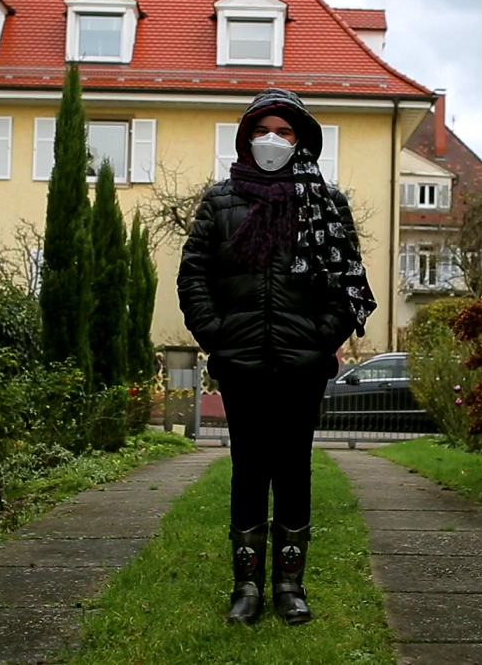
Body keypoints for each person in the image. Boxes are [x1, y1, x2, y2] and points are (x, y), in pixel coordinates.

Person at [177, 88, 375, 625]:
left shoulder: (326, 202)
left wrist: (320, 339)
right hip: (239, 361)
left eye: (284, 132)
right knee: (247, 470)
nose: (273, 140)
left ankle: (290, 585)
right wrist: (216, 335)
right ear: (246, 138)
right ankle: (246, 587)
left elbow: (348, 281)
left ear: (300, 140)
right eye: (262, 130)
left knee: (293, 470)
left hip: (300, 366)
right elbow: (194, 275)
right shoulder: (220, 201)